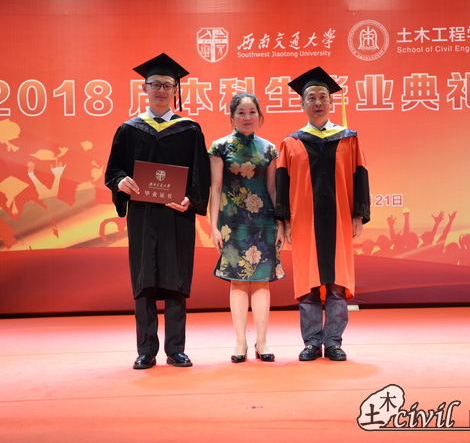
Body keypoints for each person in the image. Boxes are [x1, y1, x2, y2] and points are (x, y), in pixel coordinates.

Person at [105, 53, 211, 369]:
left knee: (176, 279)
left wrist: (191, 199)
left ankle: (176, 349)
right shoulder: (129, 129)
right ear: (144, 88)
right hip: (143, 216)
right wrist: (120, 181)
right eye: (155, 84)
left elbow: (201, 175)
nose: (161, 90)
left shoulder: (189, 130)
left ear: (175, 90)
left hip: (177, 215)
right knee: (145, 279)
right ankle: (146, 350)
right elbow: (113, 170)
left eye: (167, 85)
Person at [275, 67, 370, 362]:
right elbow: (282, 184)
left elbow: (360, 177)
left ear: (331, 102)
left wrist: (358, 215)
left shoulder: (348, 139)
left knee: (337, 283)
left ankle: (334, 341)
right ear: (302, 103)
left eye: (323, 97)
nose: (317, 102)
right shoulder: (291, 143)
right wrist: (284, 222)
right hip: (304, 221)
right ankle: (312, 342)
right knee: (309, 284)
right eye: (311, 97)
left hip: (339, 219)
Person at [208, 92, 285, 363]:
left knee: (262, 282)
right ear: (232, 117)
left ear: (259, 116)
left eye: (252, 112)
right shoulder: (219, 147)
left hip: (264, 222)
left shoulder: (269, 149)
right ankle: (240, 342)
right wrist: (214, 227)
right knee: (238, 282)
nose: (247, 117)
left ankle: (262, 342)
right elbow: (215, 188)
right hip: (233, 224)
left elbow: (273, 190)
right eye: (241, 112)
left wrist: (280, 223)